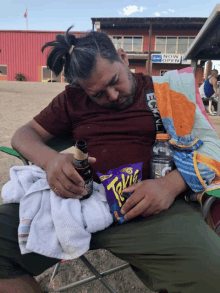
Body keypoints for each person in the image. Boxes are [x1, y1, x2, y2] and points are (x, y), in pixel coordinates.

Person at [1, 27, 220, 293]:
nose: (113, 96)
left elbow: (212, 147)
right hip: (79, 205)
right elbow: (23, 135)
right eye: (98, 94)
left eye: (114, 80)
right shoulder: (72, 99)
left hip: (151, 209)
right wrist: (50, 161)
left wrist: (170, 186)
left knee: (213, 276)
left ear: (123, 57)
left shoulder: (165, 90)